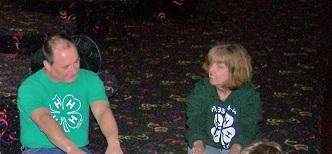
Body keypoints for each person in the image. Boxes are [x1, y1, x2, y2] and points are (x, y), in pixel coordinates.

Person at [17, 32, 123, 154]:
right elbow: (44, 120)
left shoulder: (90, 79)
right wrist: (71, 149)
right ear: (48, 65)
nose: (74, 70)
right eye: (66, 67)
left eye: (76, 61)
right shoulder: (30, 87)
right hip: (40, 149)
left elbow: (102, 111)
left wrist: (114, 143)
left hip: (78, 148)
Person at [185, 43, 262, 154]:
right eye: (211, 64)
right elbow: (195, 120)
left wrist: (236, 148)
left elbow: (248, 127)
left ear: (235, 71)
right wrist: (198, 143)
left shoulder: (248, 95)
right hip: (209, 143)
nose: (211, 70)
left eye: (219, 67)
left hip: (242, 145)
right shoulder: (202, 89)